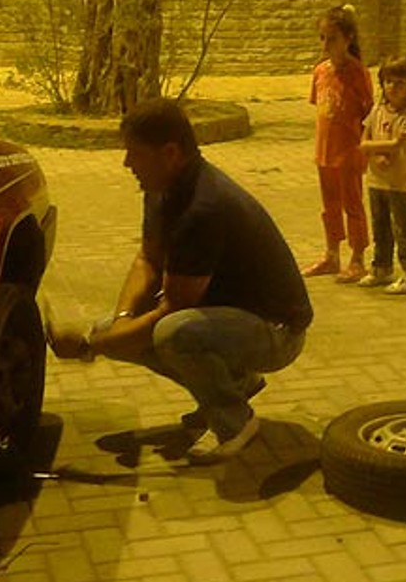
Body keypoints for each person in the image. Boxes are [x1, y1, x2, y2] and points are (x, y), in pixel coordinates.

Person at [50, 98, 313, 462]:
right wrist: (117, 326)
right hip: (227, 317)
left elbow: (172, 310)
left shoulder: (203, 208)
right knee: (120, 331)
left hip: (277, 330)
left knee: (174, 335)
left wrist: (93, 347)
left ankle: (236, 422)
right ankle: (235, 385)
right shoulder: (161, 189)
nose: (127, 164)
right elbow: (148, 258)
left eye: (135, 154)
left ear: (170, 153)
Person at [303, 4, 372, 283]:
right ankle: (332, 254)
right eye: (322, 38)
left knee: (352, 204)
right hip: (324, 151)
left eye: (332, 38)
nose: (326, 44)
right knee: (329, 205)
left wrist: (366, 148)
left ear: (348, 39)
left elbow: (369, 111)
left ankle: (357, 258)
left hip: (349, 151)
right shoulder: (320, 72)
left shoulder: (358, 73)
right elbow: (320, 107)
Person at [357, 55, 406, 293]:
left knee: (403, 227)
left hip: (399, 182)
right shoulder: (377, 111)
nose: (393, 88)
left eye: (400, 83)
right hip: (377, 179)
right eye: (388, 82)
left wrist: (371, 149)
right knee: (380, 226)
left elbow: (398, 144)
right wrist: (374, 154)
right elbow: (364, 138)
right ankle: (381, 267)